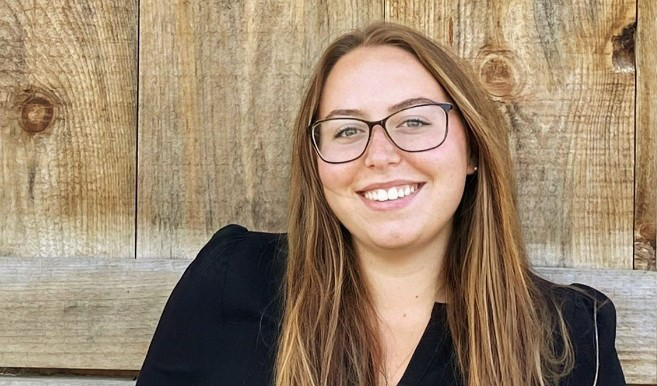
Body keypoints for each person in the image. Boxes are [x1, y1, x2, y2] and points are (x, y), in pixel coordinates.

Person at [135, 22, 627, 386]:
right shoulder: (231, 279)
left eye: (413, 121)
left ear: (473, 147)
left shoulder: (567, 331)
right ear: (318, 164)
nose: (380, 156)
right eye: (348, 130)